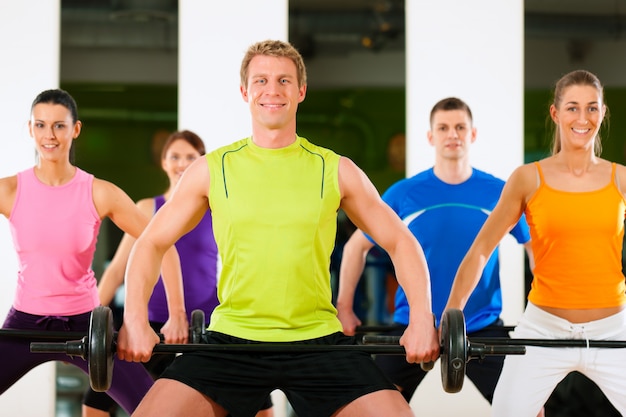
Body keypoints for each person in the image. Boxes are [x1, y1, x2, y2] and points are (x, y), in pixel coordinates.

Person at [116, 39, 440, 417]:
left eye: (284, 81)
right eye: (261, 80)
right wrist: (134, 319)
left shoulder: (334, 169)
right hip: (233, 339)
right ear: (245, 91)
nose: (273, 90)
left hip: (316, 338)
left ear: (301, 90)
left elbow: (401, 241)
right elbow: (152, 242)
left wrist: (421, 318)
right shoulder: (212, 168)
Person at [444, 69, 626, 416]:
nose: (583, 118)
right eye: (572, 107)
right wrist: (451, 314)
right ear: (556, 113)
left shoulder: (620, 179)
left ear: (602, 113)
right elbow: (482, 249)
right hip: (545, 327)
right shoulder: (528, 178)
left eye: (592, 108)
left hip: (613, 329)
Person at [337, 97, 533, 405]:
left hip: (479, 325)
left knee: (528, 406)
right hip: (414, 324)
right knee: (369, 406)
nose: (452, 134)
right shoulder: (405, 193)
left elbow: (535, 247)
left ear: (473, 134)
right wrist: (344, 307)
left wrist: (540, 312)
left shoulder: (499, 191)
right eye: (443, 127)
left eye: (459, 127)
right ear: (431, 136)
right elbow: (356, 247)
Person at [0, 88, 182, 415]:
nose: (49, 135)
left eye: (59, 125)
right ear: (30, 129)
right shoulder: (9, 190)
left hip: (85, 323)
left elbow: (162, 245)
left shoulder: (99, 192)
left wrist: (176, 314)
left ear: (75, 129)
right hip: (23, 323)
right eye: (40, 125)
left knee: (156, 410)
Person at [82, 130, 275, 417]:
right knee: (96, 400)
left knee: (260, 406)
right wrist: (87, 324)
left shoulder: (218, 208)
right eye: (174, 156)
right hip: (152, 326)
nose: (181, 163)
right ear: (163, 162)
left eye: (190, 157)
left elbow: (245, 264)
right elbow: (117, 270)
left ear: (201, 163)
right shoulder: (147, 208)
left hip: (208, 325)